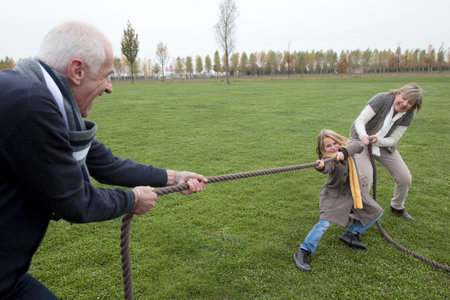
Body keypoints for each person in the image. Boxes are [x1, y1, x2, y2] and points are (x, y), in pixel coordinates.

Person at [0, 21, 207, 299]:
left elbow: (105, 163)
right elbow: (76, 201)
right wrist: (132, 200)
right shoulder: (30, 104)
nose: (110, 87)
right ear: (77, 71)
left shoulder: (38, 96)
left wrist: (175, 177)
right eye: (107, 75)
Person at [293, 130, 383, 272]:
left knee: (376, 211)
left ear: (341, 141)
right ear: (323, 150)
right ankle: (304, 250)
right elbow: (326, 167)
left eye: (335, 143)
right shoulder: (329, 159)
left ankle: (351, 233)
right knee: (324, 223)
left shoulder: (348, 150)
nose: (333, 147)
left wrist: (344, 152)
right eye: (328, 146)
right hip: (335, 196)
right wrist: (321, 166)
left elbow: (358, 144)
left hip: (356, 194)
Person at [349, 83, 423, 221]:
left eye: (410, 103)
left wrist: (377, 140)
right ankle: (355, 213)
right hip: (360, 140)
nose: (404, 104)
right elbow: (360, 120)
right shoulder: (382, 99)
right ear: (397, 93)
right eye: (404, 98)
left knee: (404, 177)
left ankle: (397, 206)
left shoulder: (408, 116)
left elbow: (393, 139)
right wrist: (364, 136)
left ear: (413, 106)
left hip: (382, 144)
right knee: (365, 177)